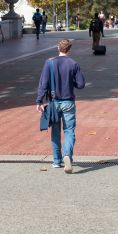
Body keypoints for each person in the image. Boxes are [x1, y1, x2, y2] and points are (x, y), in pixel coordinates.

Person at [36, 39, 87, 172]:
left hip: (54, 102)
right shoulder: (73, 63)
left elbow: (43, 83)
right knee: (69, 130)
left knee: (55, 131)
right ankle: (67, 155)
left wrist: (39, 101)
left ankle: (57, 160)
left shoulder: (49, 63)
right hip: (68, 102)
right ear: (69, 50)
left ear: (58, 48)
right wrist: (72, 82)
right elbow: (81, 84)